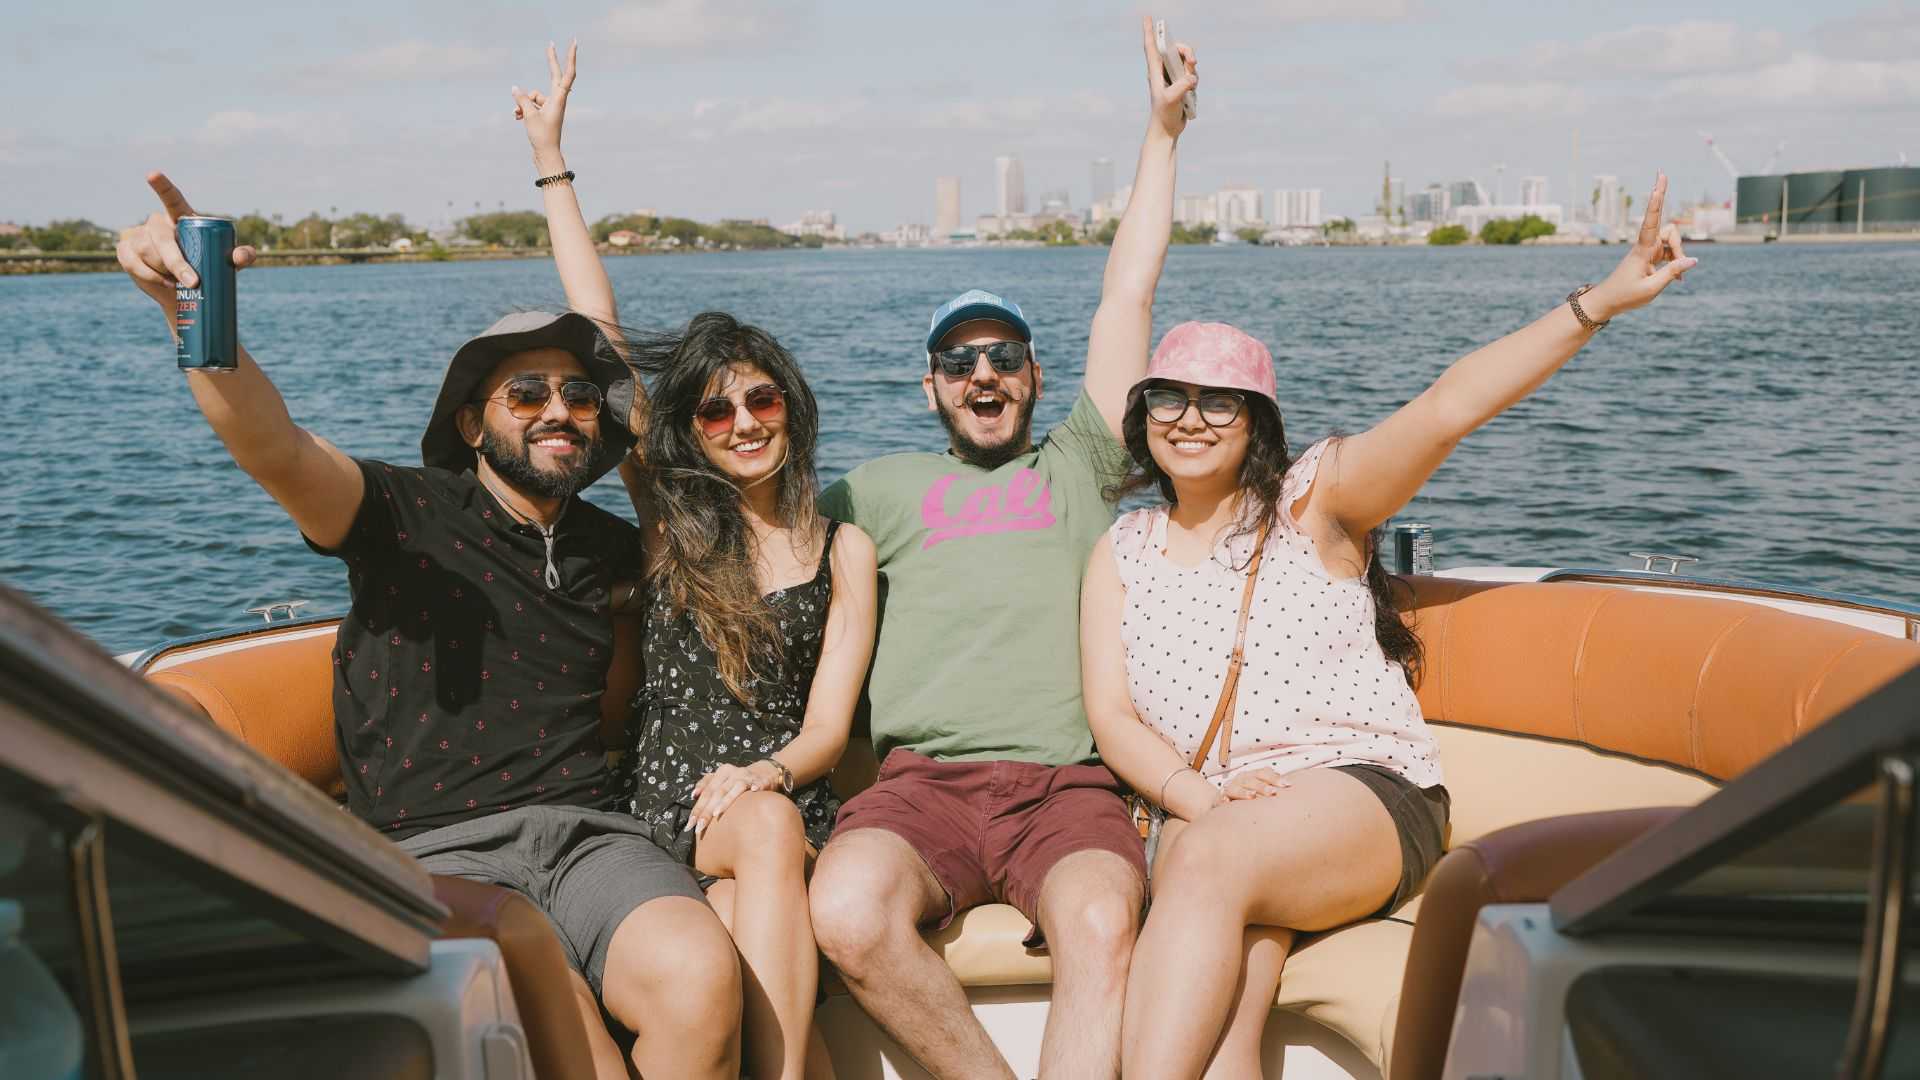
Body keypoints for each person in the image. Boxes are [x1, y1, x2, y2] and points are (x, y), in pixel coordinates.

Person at [113, 175, 744, 1080]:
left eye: (575, 395)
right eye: (525, 392)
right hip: (431, 849)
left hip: (590, 839)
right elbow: (274, 445)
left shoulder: (612, 548)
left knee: (700, 980)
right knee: (568, 1033)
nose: (559, 409)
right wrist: (192, 313)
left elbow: (721, 536)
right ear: (470, 422)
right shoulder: (399, 512)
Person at [1080, 177, 1699, 1076]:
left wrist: (1596, 302)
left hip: (1361, 796)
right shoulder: (1124, 549)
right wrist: (1194, 796)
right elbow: (1112, 717)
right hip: (1216, 813)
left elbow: (1448, 408)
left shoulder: (1314, 499)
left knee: (1204, 864)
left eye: (1221, 400)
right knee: (1234, 997)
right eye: (1169, 397)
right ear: (1143, 417)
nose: (1192, 418)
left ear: (1256, 422)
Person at [800, 19, 1199, 1079]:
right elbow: (739, 515)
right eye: (959, 361)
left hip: (1068, 790)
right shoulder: (869, 490)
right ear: (929, 386)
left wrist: (1161, 135)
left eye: (1004, 356)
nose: (984, 375)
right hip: (916, 788)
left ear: (1033, 373)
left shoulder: (1080, 462)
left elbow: (1129, 295)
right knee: (841, 908)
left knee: (1107, 924)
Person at [517, 43, 877, 1080]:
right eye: (718, 408)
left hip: (781, 789)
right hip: (672, 791)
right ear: (697, 429)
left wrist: (764, 775)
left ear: (792, 410)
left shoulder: (843, 545)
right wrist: (553, 162)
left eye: (762, 399)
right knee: (753, 848)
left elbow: (827, 728)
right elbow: (604, 338)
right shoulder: (675, 520)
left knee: (743, 890)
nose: (742, 420)